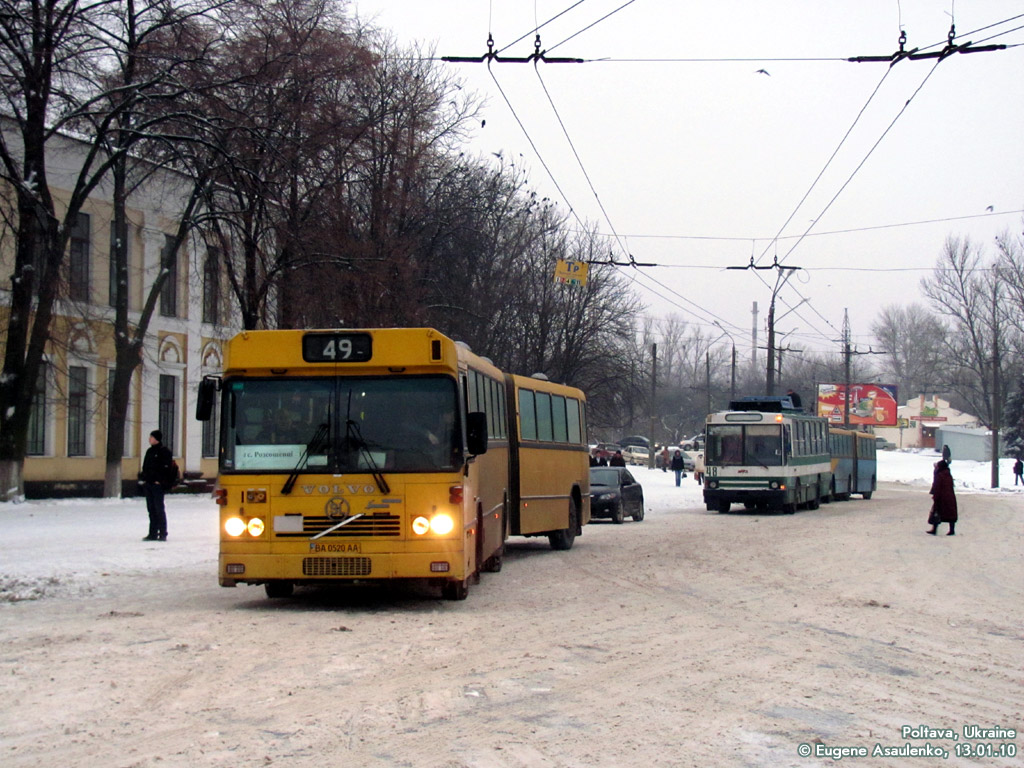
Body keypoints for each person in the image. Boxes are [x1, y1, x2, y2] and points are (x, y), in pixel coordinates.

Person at [141, 430, 173, 541]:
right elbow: (145, 467)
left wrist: (159, 481)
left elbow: (166, 468)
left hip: (157, 485)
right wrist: (145, 478)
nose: (149, 439)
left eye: (151, 437)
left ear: (157, 439)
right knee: (151, 509)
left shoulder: (164, 451)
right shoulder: (150, 451)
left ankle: (163, 533)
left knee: (159, 509)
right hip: (149, 484)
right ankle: (152, 533)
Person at [927, 459, 958, 536]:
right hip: (950, 497)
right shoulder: (948, 474)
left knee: (937, 512)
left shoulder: (940, 475)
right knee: (951, 513)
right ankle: (952, 530)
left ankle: (934, 529)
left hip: (941, 498)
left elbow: (937, 486)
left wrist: (935, 496)